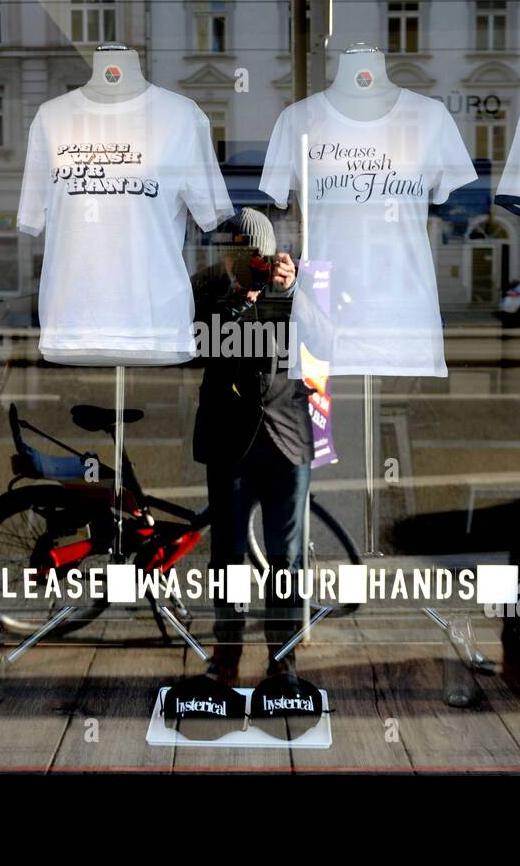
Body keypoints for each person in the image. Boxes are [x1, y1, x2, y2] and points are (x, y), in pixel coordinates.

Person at [191, 207, 313, 687]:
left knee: (286, 557)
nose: (246, 262)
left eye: (255, 255)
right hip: (228, 440)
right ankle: (226, 655)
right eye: (235, 253)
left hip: (286, 435)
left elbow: (317, 342)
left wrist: (289, 292)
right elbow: (201, 345)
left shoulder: (294, 284)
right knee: (228, 554)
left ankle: (282, 660)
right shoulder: (206, 288)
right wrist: (241, 296)